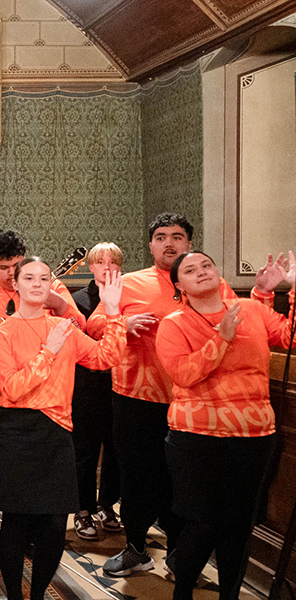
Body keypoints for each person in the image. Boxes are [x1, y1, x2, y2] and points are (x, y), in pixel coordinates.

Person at [90, 213, 258, 576]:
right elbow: (94, 323)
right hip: (135, 396)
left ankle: (182, 555)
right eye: (161, 237)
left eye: (178, 237)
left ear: (189, 245)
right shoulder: (128, 282)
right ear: (150, 245)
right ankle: (136, 548)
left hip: (193, 400)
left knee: (183, 482)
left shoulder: (214, 284)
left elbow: (238, 322)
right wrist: (123, 323)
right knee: (136, 476)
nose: (170, 243)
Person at [0, 257, 126, 600]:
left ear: (51, 287)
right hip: (17, 432)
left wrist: (112, 311)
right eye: (29, 278)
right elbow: (15, 388)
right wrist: (49, 351)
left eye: (43, 278)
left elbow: (106, 358)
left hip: (58, 430)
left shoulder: (64, 329)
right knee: (16, 524)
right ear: (15, 285)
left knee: (51, 527)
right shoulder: (2, 333)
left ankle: (37, 596)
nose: (36, 284)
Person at [158, 251, 295, 600]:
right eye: (190, 270)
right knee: (202, 524)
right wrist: (222, 338)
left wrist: (293, 290)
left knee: (239, 526)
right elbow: (184, 374)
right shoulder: (173, 323)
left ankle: (229, 596)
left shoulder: (250, 309)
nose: (201, 272)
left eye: (206, 265)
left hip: (254, 435)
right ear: (179, 286)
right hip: (196, 438)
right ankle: (183, 591)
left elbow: (290, 335)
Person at [0, 229, 83, 554]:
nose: (11, 275)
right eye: (2, 268)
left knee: (33, 471)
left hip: (39, 400)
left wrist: (60, 305)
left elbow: (81, 330)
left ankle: (32, 533)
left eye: (16, 265)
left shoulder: (50, 288)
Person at [70, 242, 124, 540]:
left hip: (121, 383)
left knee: (115, 449)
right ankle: (83, 509)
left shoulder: (129, 296)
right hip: (87, 384)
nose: (107, 267)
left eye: (113, 261)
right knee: (85, 450)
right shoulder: (77, 299)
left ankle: (107, 505)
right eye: (100, 262)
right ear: (90, 267)